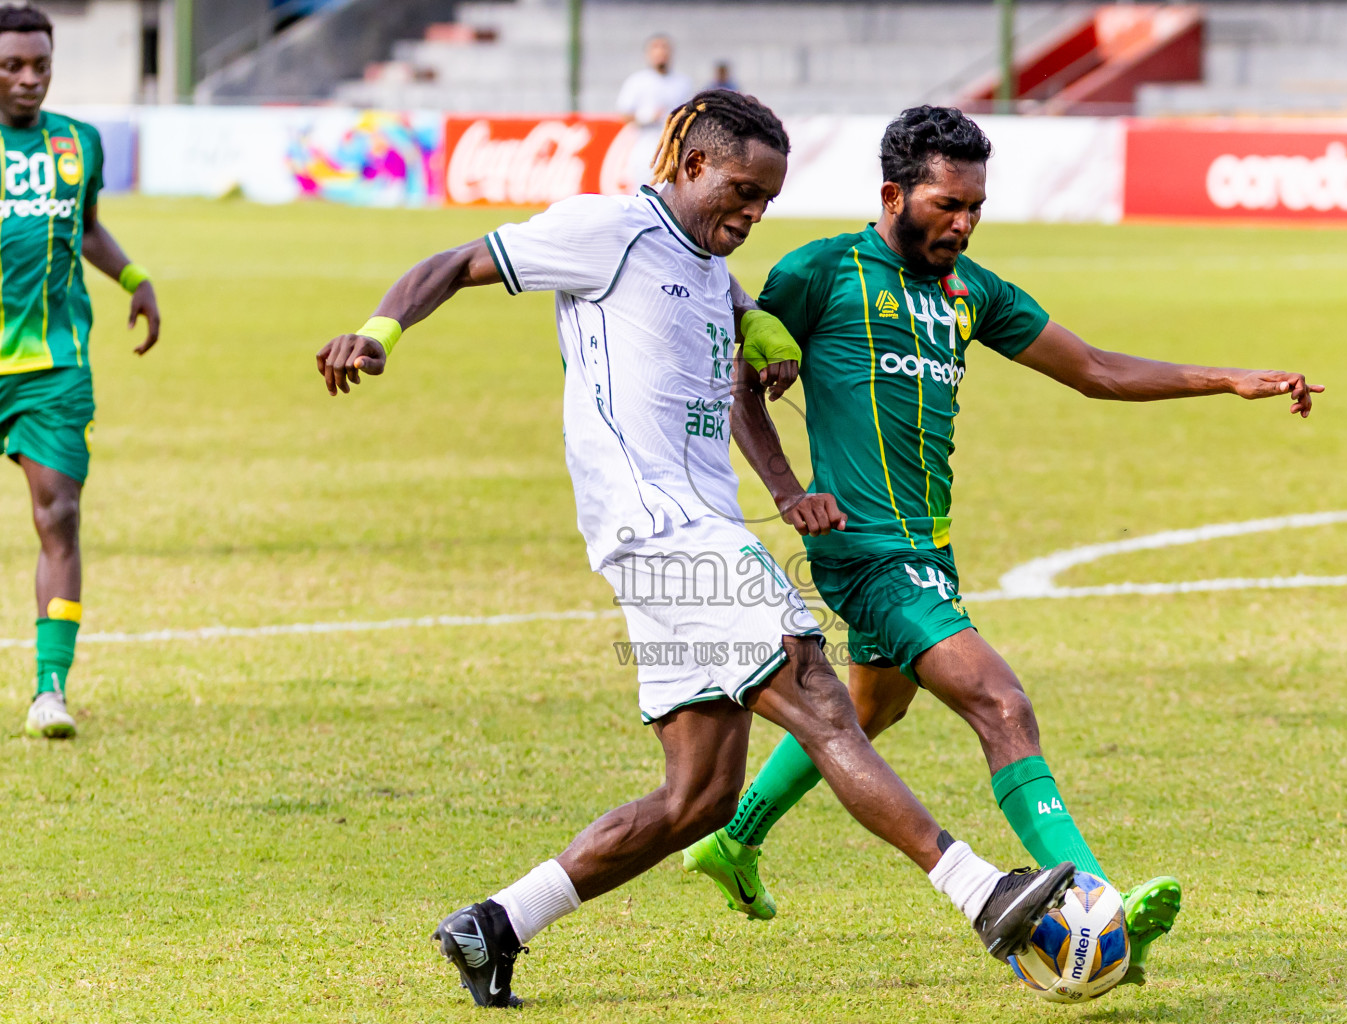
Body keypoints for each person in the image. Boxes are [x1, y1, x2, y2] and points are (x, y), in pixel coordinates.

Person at [315, 91, 1076, 1008]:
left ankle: (497, 923)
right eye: (741, 191)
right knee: (820, 697)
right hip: (663, 529)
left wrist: (784, 468)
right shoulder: (608, 229)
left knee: (699, 799)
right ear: (688, 165)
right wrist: (380, 331)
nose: (751, 215)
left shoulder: (712, 272)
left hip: (681, 530)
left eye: (766, 201)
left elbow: (730, 376)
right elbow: (458, 261)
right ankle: (982, 892)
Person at [684, 105, 1325, 988]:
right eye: (948, 205)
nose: (964, 222)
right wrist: (791, 493)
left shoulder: (971, 291)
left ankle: (735, 839)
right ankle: (1096, 904)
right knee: (1000, 702)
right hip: (865, 550)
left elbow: (1095, 369)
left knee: (871, 706)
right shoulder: (823, 272)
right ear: (892, 193)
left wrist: (1227, 381)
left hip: (928, 549)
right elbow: (741, 385)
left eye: (976, 207)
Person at [0, 4, 161, 740]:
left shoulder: (78, 143)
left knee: (58, 515)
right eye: (12, 66)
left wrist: (134, 280)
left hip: (54, 367)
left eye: (40, 65)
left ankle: (49, 691)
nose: (29, 80)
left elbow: (87, 225)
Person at [616, 34, 694, 193]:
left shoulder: (682, 82)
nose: (661, 54)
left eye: (664, 49)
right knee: (642, 190)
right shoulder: (638, 81)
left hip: (673, 145)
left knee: (668, 192)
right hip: (646, 146)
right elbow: (624, 114)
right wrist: (646, 117)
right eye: (656, 50)